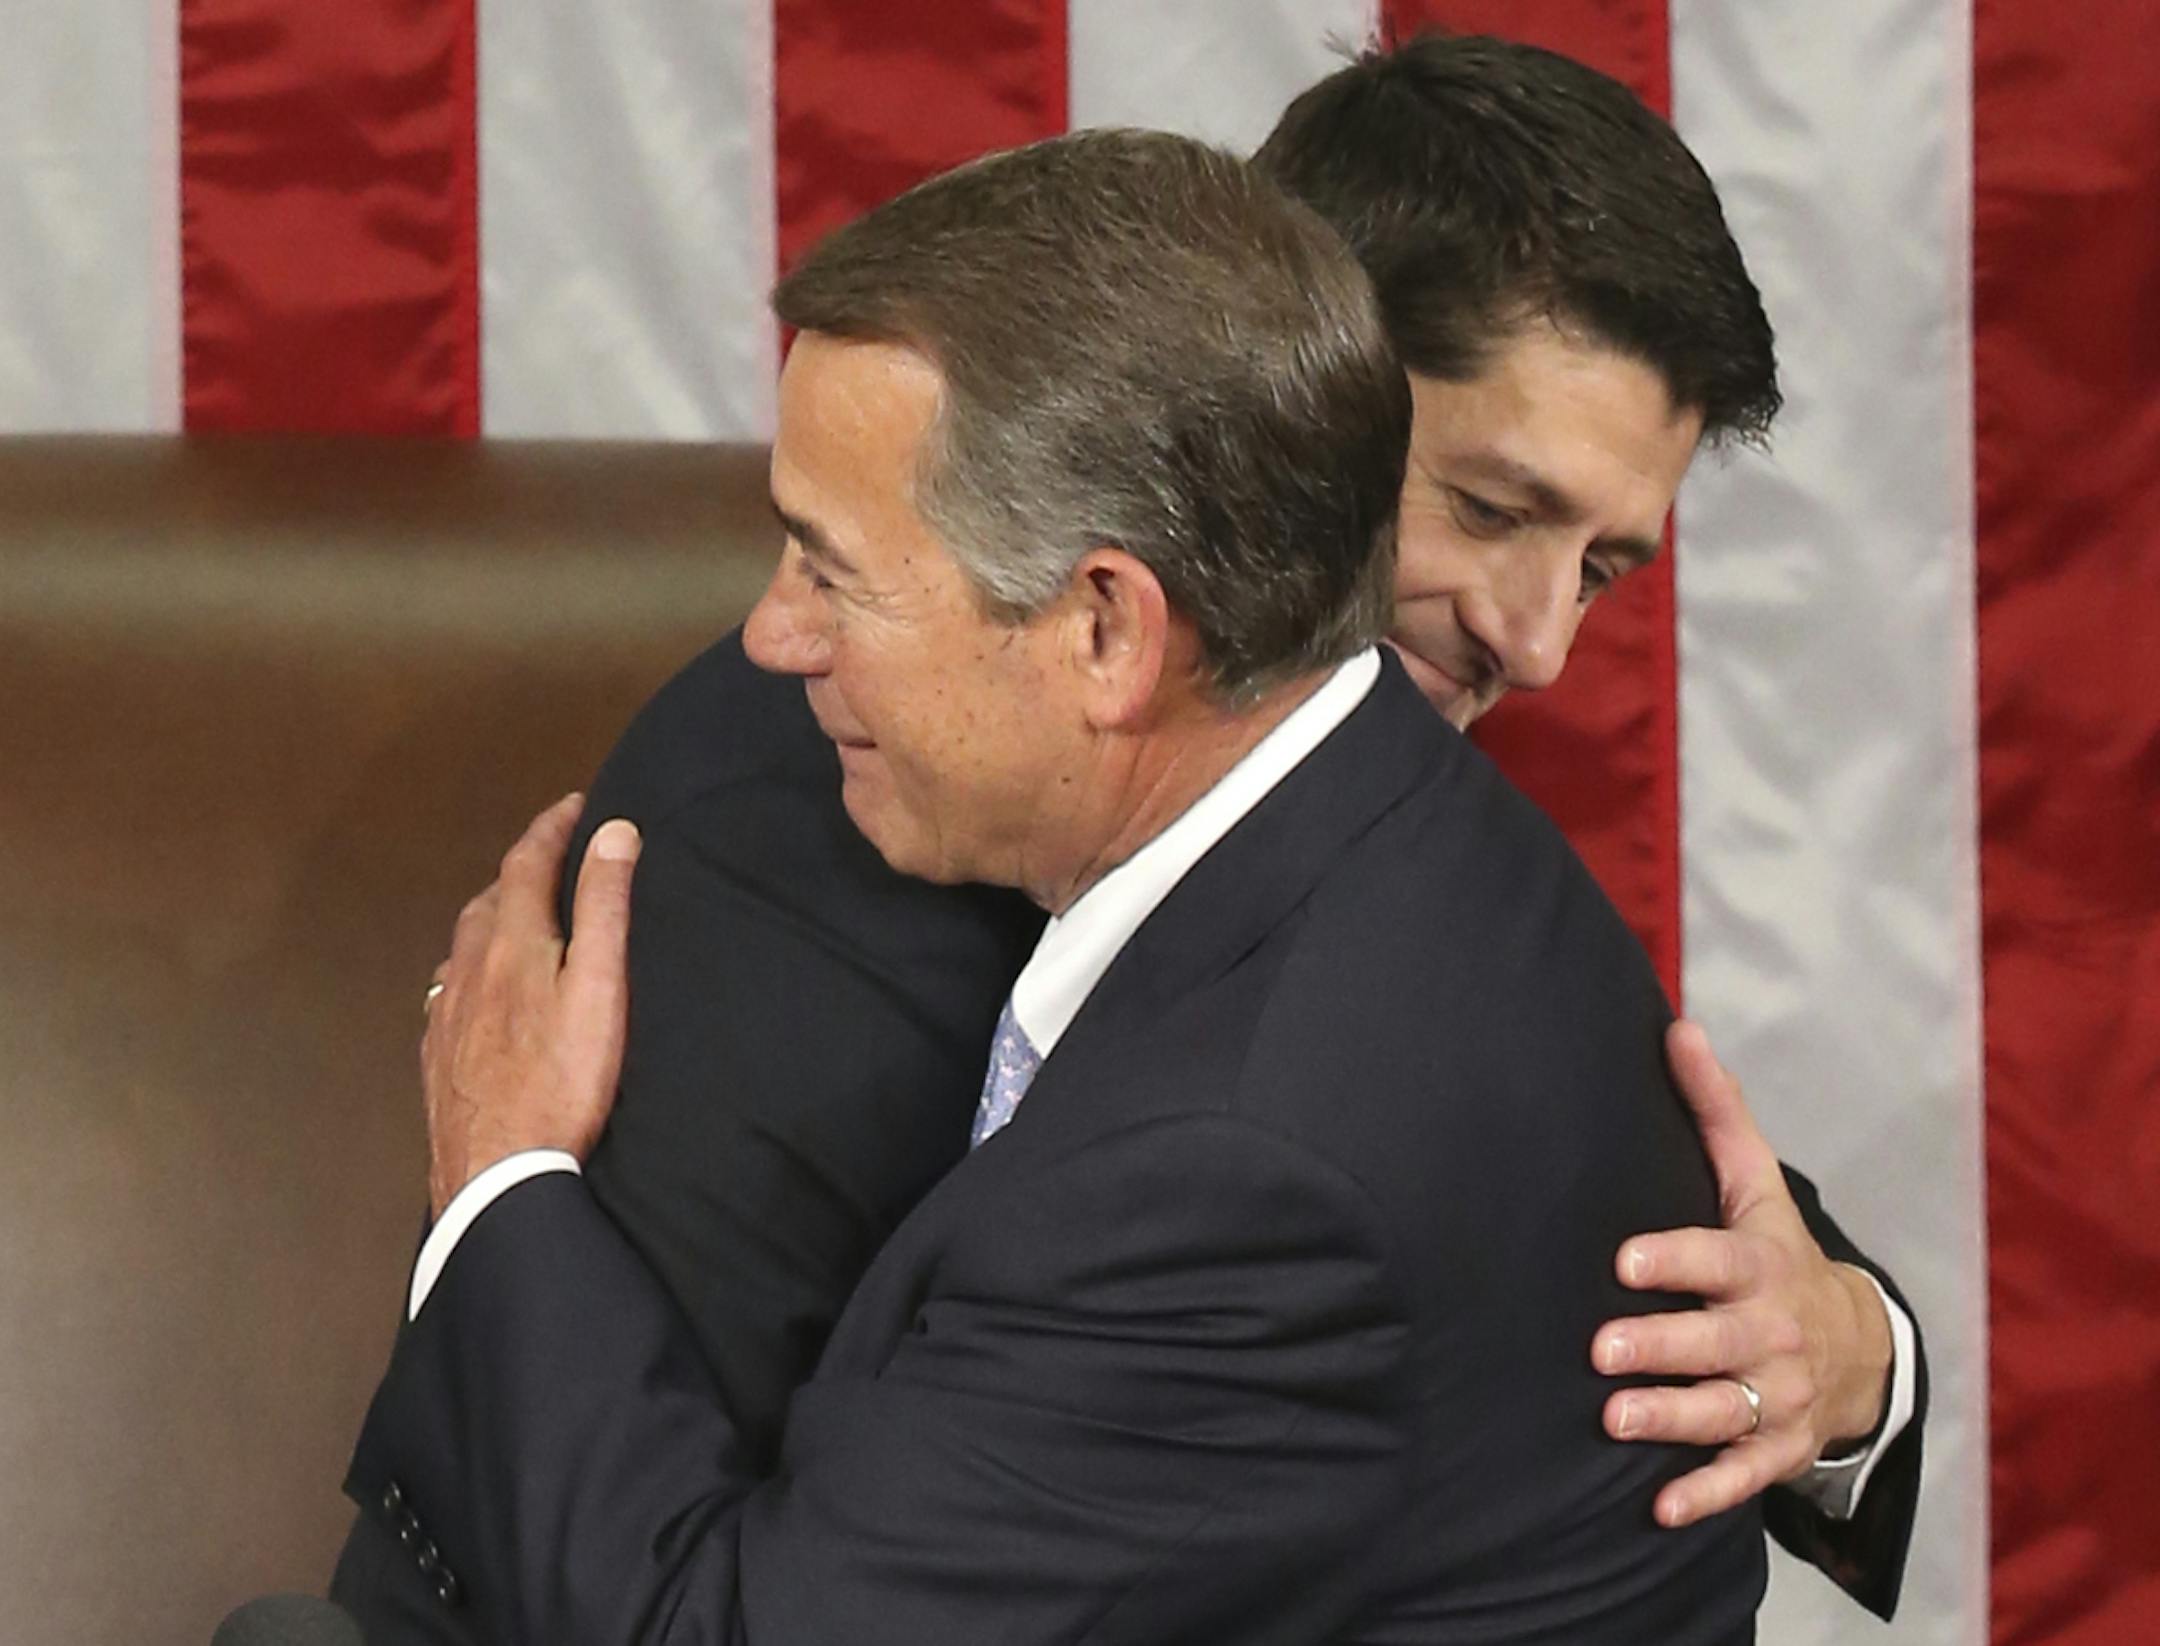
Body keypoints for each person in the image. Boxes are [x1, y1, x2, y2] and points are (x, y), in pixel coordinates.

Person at [330, 34, 1922, 1645]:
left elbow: (1514, 1196)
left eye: (1603, 565)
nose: (1539, 642)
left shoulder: (1369, 947)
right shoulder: (818, 787)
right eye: (1493, 509)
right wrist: (509, 1190)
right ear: (1278, 382)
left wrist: (1865, 1351)